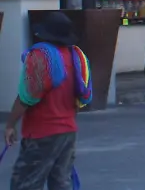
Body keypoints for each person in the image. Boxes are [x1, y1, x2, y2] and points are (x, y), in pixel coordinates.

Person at [5, 12, 92, 190]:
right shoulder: (75, 56)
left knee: (25, 183)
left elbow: (26, 97)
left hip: (42, 132)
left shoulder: (41, 57)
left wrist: (10, 125)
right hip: (68, 131)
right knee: (61, 182)